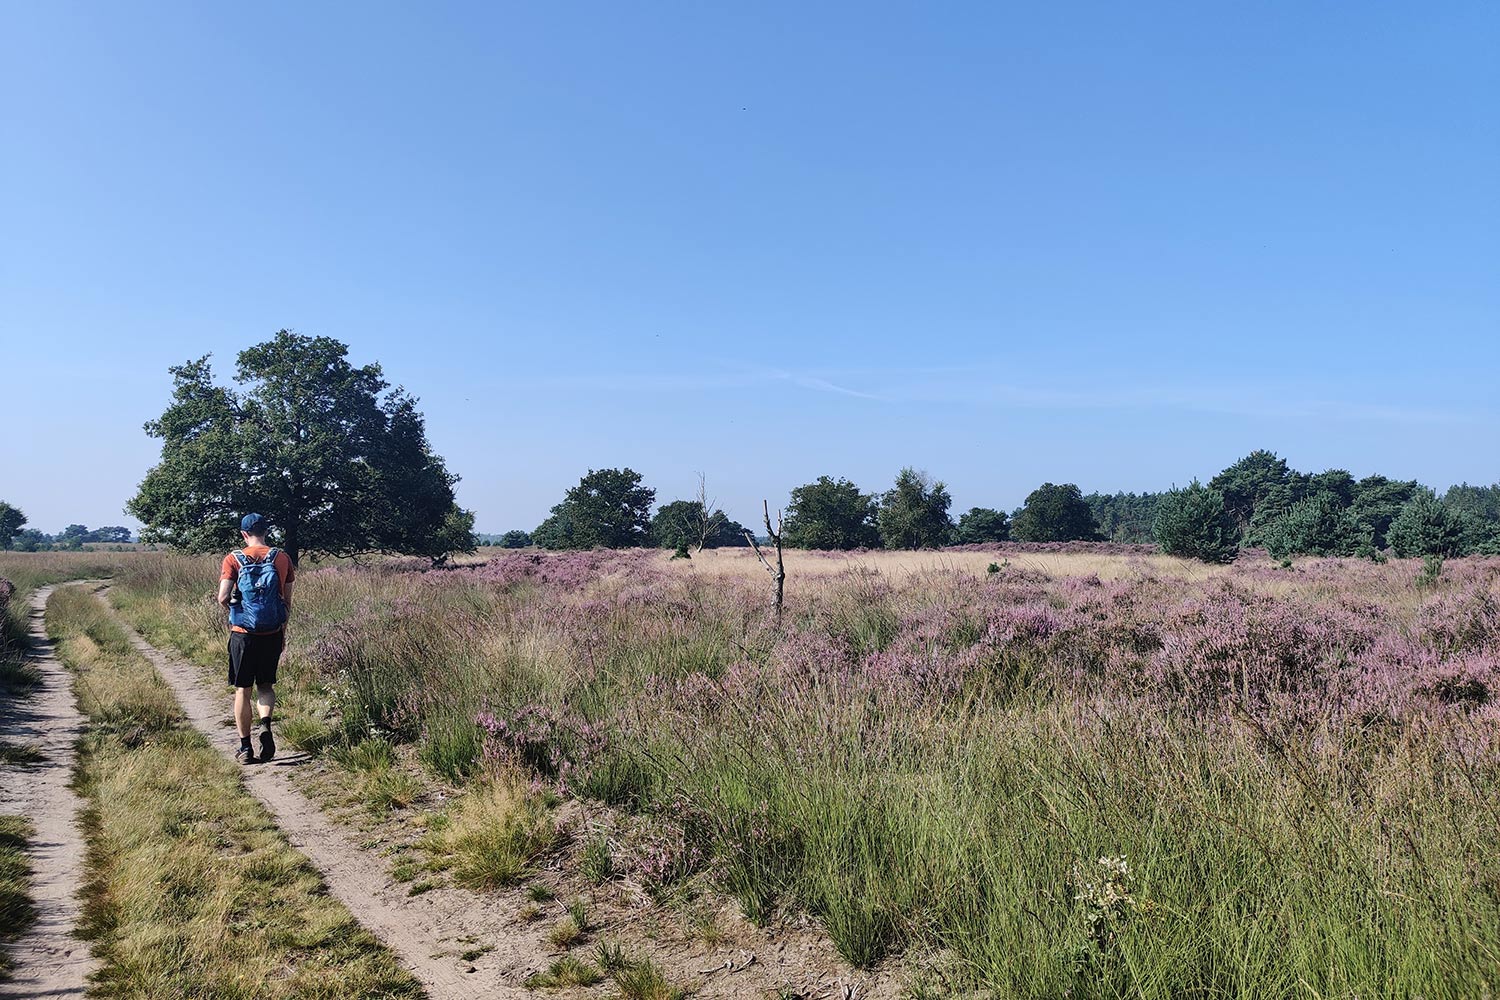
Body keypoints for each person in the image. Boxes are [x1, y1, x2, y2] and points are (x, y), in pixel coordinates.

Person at [216, 513, 294, 764]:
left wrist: (237, 609)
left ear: (243, 534)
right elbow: (287, 603)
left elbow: (222, 597)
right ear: (265, 531)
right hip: (271, 632)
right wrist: (282, 633)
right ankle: (266, 725)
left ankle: (245, 748)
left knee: (242, 690)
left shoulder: (233, 559)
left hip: (243, 635)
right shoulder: (282, 558)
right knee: (266, 686)